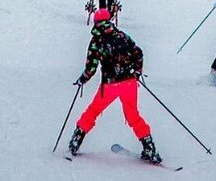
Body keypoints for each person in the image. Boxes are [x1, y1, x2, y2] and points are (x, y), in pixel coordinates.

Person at [66, 10, 161, 165]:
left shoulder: (96, 41)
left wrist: (83, 79)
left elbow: (91, 67)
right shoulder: (122, 36)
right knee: (133, 116)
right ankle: (149, 147)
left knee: (93, 111)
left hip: (110, 85)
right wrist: (137, 71)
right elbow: (138, 53)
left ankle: (76, 140)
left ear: (96, 22)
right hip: (129, 83)